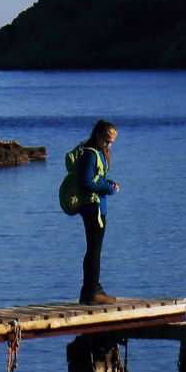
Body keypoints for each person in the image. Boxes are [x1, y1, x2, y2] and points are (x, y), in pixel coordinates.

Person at [73, 120, 119, 304]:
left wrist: (109, 183)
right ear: (97, 135)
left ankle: (92, 287)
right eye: (106, 140)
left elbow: (98, 177)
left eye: (111, 142)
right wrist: (108, 189)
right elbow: (87, 182)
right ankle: (91, 291)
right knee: (94, 249)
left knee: (94, 248)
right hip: (94, 207)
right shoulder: (91, 154)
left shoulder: (97, 152)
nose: (108, 145)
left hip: (95, 206)